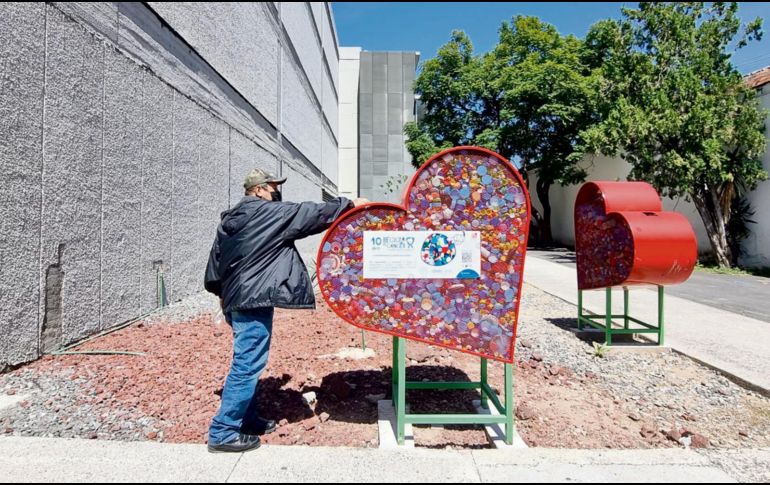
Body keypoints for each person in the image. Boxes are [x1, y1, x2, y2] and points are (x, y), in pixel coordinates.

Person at [204, 167, 368, 453]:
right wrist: (351, 204)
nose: (276, 191)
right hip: (253, 299)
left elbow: (215, 263)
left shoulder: (230, 220)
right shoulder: (267, 213)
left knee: (248, 360)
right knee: (247, 363)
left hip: (235, 299)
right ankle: (223, 431)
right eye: (272, 186)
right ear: (258, 190)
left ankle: (247, 419)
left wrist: (221, 294)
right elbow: (309, 213)